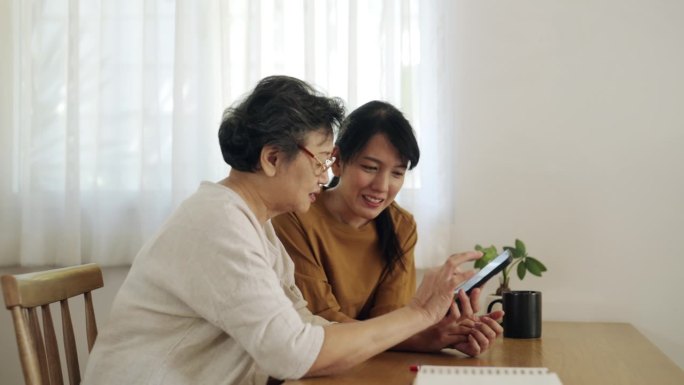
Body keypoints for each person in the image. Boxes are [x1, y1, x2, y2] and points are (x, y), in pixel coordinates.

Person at [83, 76, 485, 385]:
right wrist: (420, 312)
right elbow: (294, 354)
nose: (326, 175)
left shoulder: (254, 223)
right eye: (322, 160)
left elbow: (306, 329)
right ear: (273, 158)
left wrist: (423, 323)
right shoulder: (218, 225)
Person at [272, 100, 504, 354]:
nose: (382, 186)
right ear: (336, 161)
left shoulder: (401, 225)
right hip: (312, 362)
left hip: (370, 362)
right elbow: (321, 320)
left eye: (397, 173)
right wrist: (422, 338)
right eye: (370, 168)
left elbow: (390, 318)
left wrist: (446, 332)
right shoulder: (295, 216)